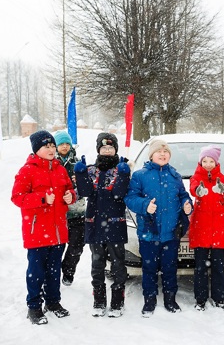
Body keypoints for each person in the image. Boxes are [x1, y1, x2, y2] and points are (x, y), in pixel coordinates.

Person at [11, 130, 75, 325]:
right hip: (37, 232)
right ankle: (34, 307)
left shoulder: (60, 169)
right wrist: (41, 199)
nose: (51, 149)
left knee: (54, 271)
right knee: (36, 271)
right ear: (36, 149)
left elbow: (70, 189)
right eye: (46, 146)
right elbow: (17, 197)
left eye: (52, 146)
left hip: (58, 232)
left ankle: (53, 303)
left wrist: (70, 196)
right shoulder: (27, 170)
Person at [124, 139, 192, 316]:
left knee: (170, 268)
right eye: (159, 152)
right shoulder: (140, 175)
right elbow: (130, 199)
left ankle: (170, 299)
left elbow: (183, 195)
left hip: (171, 233)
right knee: (149, 268)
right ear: (151, 155)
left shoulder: (175, 175)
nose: (163, 154)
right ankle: (150, 300)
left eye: (166, 152)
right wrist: (145, 205)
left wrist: (187, 203)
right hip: (149, 233)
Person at [74, 132, 130, 317]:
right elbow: (86, 192)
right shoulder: (91, 170)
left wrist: (123, 174)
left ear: (115, 150)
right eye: (104, 147)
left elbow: (119, 194)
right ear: (99, 149)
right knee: (97, 264)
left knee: (117, 263)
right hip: (95, 223)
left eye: (111, 147)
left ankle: (117, 301)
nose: (107, 151)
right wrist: (80, 173)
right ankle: (98, 300)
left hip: (115, 224)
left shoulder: (121, 169)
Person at [188, 145, 224, 311]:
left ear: (216, 162)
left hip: (218, 229)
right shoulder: (195, 177)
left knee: (218, 266)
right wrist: (198, 191)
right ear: (200, 161)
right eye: (204, 160)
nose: (207, 164)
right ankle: (200, 299)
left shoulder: (222, 177)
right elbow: (193, 189)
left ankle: (219, 298)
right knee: (200, 268)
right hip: (201, 228)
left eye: (211, 161)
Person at [53, 131, 86, 286]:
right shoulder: (52, 163)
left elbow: (86, 186)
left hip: (77, 211)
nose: (64, 147)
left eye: (67, 143)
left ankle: (68, 271)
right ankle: (53, 273)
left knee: (77, 246)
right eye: (61, 144)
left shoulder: (78, 163)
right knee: (56, 247)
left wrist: (78, 187)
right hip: (57, 213)